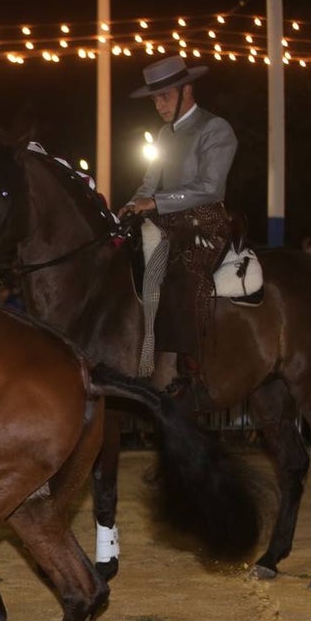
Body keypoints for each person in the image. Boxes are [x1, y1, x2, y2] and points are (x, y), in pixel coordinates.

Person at [121, 56, 238, 382]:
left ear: (187, 90)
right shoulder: (163, 134)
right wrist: (131, 205)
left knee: (177, 279)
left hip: (203, 223)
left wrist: (156, 202)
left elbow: (210, 187)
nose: (158, 104)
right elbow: (148, 183)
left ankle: (186, 369)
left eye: (164, 96)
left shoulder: (215, 128)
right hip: (164, 222)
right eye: (155, 98)